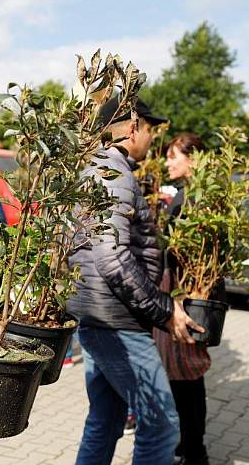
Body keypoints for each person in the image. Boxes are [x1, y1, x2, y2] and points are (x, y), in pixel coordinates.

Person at [67, 95, 203, 465]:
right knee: (160, 425)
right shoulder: (114, 174)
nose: (151, 138)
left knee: (106, 420)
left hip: (100, 317)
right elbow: (112, 258)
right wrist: (163, 310)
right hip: (117, 322)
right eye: (149, 129)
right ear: (131, 128)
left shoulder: (99, 170)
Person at [153, 132, 212, 465]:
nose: (168, 162)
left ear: (193, 158)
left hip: (183, 295)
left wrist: (176, 297)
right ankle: (189, 445)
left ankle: (193, 449)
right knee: (184, 375)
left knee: (186, 377)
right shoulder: (190, 196)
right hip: (182, 293)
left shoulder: (191, 198)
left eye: (174, 156)